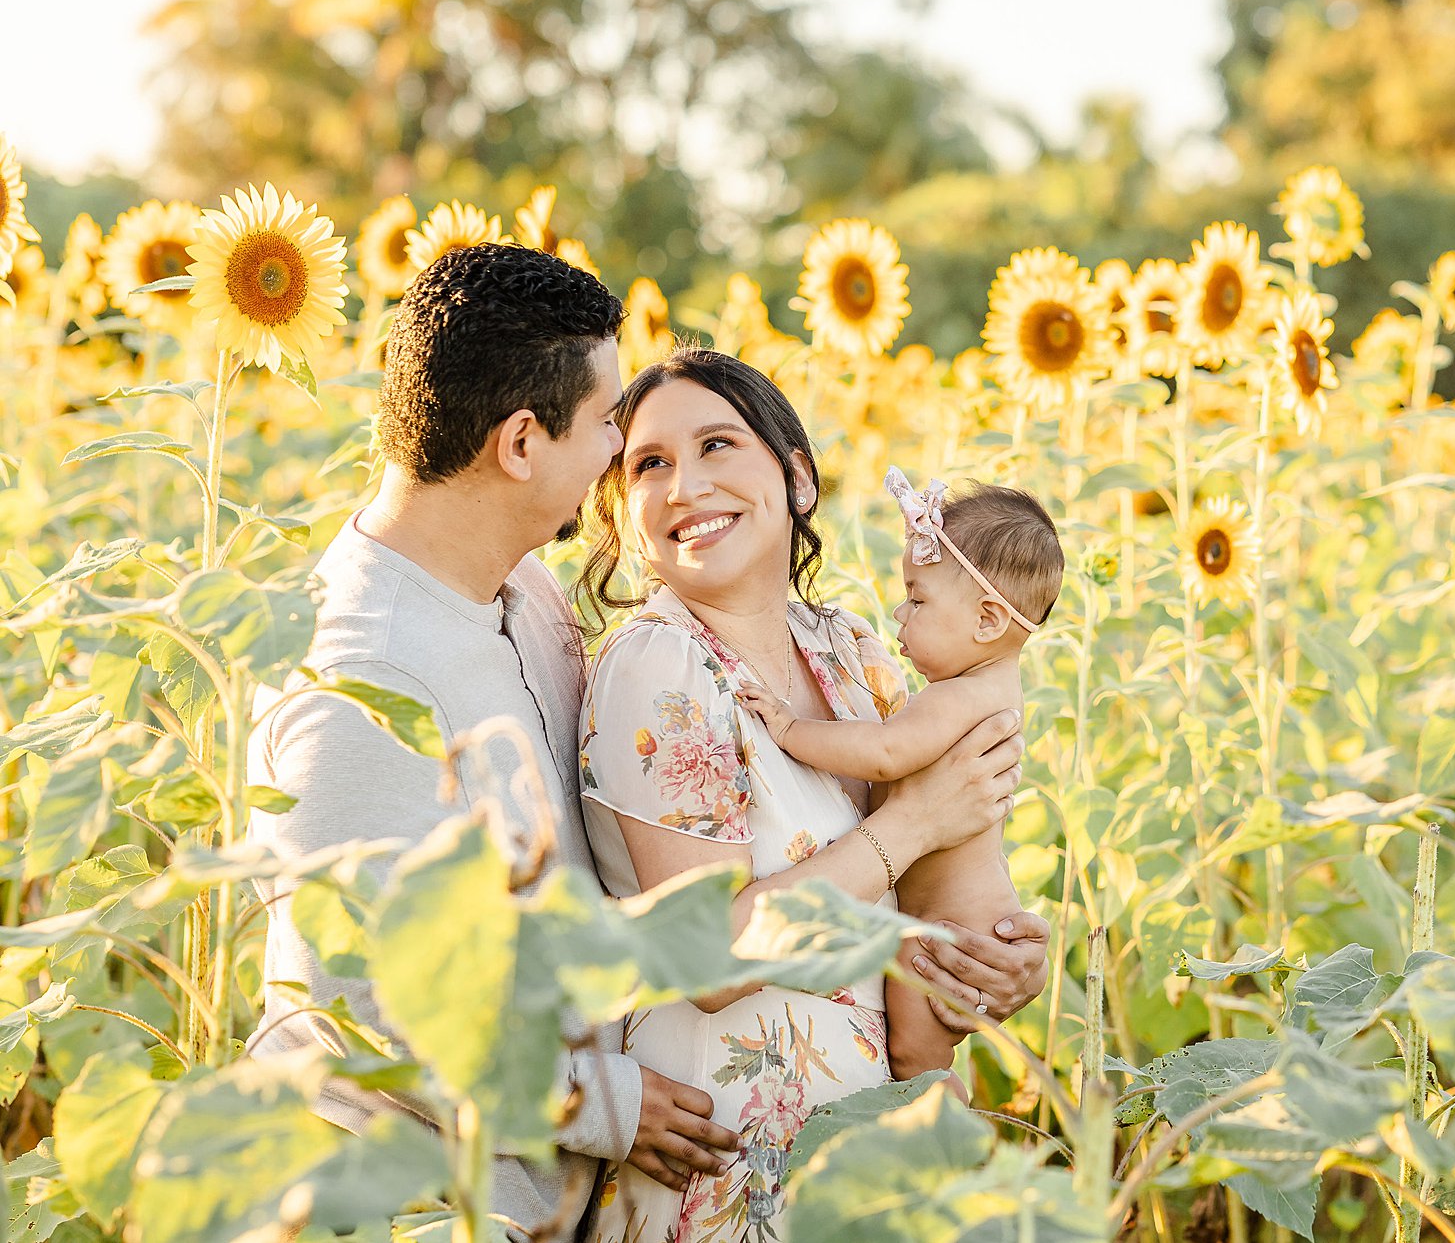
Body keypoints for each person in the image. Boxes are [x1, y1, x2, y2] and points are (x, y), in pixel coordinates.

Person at [251, 245, 1042, 1238]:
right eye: (613, 433)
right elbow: (355, 999)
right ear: (524, 443)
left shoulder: (525, 599)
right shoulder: (363, 676)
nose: (620, 466)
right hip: (409, 1202)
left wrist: (985, 961)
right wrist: (597, 1100)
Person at [573, 349, 1050, 1240]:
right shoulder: (662, 664)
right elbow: (709, 959)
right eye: (650, 463)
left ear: (795, 478)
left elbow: (926, 895)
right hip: (732, 1165)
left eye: (718, 444)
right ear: (626, 512)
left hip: (864, 1164)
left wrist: (995, 967)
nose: (685, 485)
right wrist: (908, 827)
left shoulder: (852, 650)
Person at [736, 469, 1062, 1078]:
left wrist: (787, 730)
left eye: (917, 599)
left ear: (988, 621)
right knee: (919, 1053)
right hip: (957, 917)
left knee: (916, 1056)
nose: (898, 613)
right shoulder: (984, 687)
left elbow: (884, 753)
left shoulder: (957, 698)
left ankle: (953, 1146)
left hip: (947, 929)